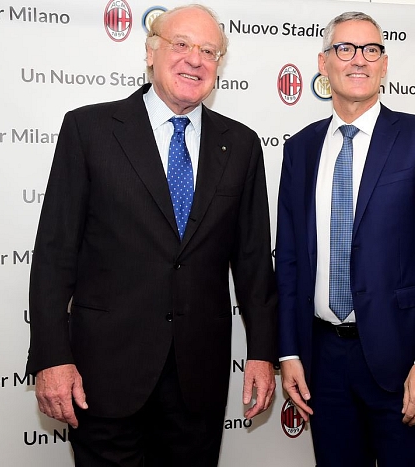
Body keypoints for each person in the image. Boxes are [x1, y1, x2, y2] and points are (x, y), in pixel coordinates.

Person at [25, 5, 277, 466]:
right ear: (151, 52)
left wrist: (262, 353)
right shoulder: (89, 129)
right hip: (103, 375)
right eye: (181, 44)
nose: (194, 59)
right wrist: (51, 357)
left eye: (209, 51)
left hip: (197, 381)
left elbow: (254, 261)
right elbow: (54, 254)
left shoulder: (240, 144)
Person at [275, 11, 415, 467]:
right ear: (323, 63)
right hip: (322, 361)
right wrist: (289, 350)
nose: (358, 59)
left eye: (371, 49)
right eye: (345, 49)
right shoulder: (300, 148)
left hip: (401, 361)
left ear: (384, 64)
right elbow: (290, 259)